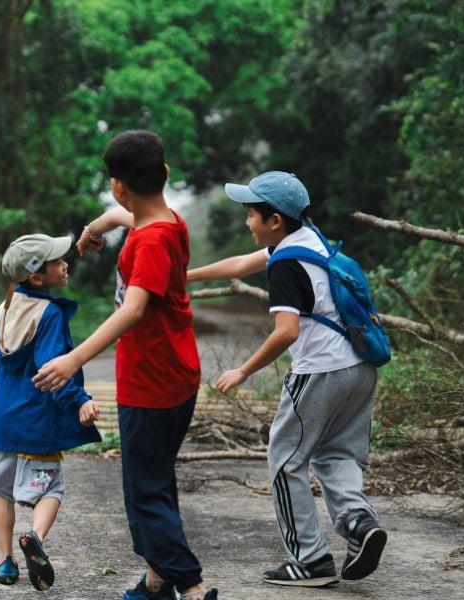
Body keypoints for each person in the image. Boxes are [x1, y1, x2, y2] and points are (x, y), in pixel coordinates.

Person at [33, 131, 218, 600]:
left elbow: (133, 309)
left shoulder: (152, 241)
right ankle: (156, 582)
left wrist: (73, 358)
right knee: (153, 479)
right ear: (165, 174)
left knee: (144, 492)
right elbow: (120, 216)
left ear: (118, 184)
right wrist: (92, 232)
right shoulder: (168, 221)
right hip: (173, 372)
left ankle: (192, 587)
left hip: (153, 382)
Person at [187, 171, 387, 587]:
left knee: (285, 460)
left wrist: (243, 370)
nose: (246, 222)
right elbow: (241, 264)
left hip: (319, 372)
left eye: (250, 215)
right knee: (336, 455)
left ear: (274, 220)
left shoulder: (285, 266)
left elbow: (286, 332)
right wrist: (184, 276)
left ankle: (310, 560)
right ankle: (359, 523)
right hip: (359, 368)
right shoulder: (309, 240)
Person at [0, 233, 102, 591]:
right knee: (52, 489)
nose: (65, 264)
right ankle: (34, 537)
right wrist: (80, 398)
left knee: (3, 492)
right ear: (37, 277)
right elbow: (52, 368)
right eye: (57, 261)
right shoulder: (48, 313)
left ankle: (7, 562)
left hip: (5, 420)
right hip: (38, 420)